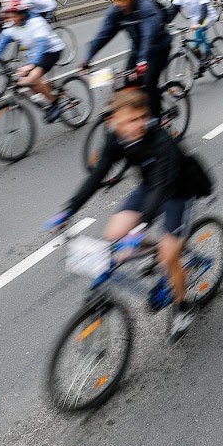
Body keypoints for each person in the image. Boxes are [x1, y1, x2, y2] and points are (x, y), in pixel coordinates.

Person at [46, 89, 207, 344]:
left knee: (168, 255)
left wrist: (139, 229)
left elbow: (161, 190)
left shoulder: (162, 142)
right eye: (131, 120)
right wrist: (69, 210)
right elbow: (97, 176)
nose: (139, 125)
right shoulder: (115, 138)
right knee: (113, 235)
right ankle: (156, 249)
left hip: (178, 190)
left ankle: (182, 307)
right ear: (115, 121)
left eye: (142, 118)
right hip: (148, 186)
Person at [82, 0, 172, 118]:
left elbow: (149, 36)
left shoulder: (145, 7)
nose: (118, 3)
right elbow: (103, 35)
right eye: (115, 0)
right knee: (129, 84)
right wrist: (87, 58)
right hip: (138, 49)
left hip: (158, 48)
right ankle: (139, 115)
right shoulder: (116, 11)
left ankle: (156, 121)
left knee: (148, 83)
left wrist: (142, 61)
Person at [0, 1, 67, 123]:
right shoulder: (11, 25)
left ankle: (54, 104)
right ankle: (49, 91)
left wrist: (31, 65)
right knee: (24, 81)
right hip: (35, 54)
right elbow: (1, 42)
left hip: (51, 51)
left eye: (11, 16)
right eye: (7, 16)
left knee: (31, 78)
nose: (8, 19)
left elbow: (41, 46)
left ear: (21, 15)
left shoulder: (36, 23)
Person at [171, 0, 217, 66]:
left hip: (208, 16)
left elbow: (204, 8)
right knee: (195, 46)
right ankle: (202, 63)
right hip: (195, 20)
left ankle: (209, 53)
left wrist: (199, 23)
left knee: (199, 31)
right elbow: (173, 9)